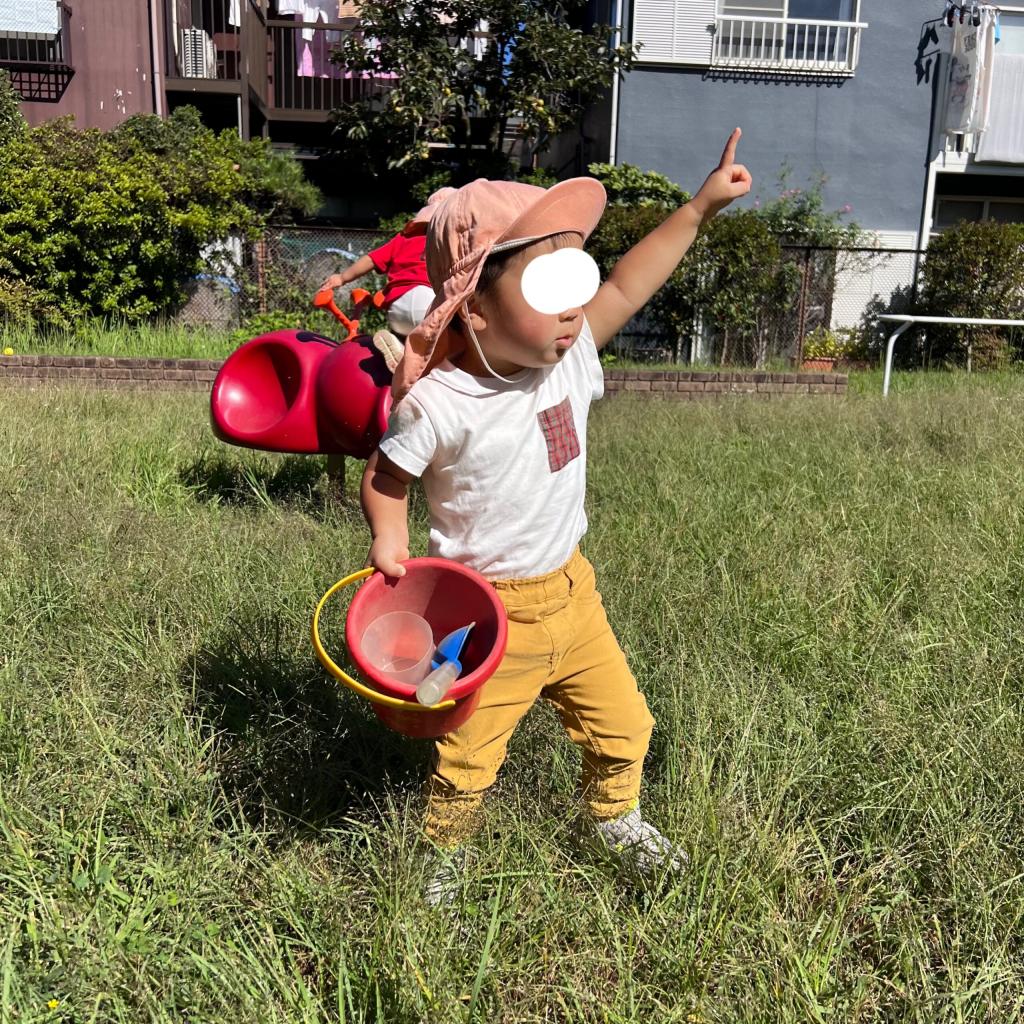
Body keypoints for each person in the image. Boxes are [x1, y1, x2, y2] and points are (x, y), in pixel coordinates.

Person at [361, 130, 752, 905]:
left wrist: (700, 208)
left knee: (627, 727)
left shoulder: (568, 356)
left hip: (574, 598)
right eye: (548, 290)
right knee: (469, 755)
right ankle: (444, 859)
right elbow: (385, 474)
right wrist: (389, 533)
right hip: (486, 617)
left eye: (575, 285)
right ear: (473, 306)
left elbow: (630, 288)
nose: (574, 309)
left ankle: (612, 817)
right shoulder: (441, 405)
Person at [320, 188, 455, 370]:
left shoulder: (402, 239)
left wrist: (342, 278)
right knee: (456, 335)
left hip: (396, 309)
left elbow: (371, 259)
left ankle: (399, 346)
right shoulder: (448, 238)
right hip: (429, 303)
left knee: (412, 336)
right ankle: (434, 367)